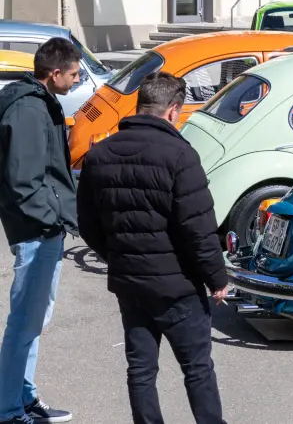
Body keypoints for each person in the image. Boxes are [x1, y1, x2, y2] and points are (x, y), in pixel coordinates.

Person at [76, 72, 229, 424]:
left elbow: (88, 224)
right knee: (197, 369)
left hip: (131, 284)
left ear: (140, 103)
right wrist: (216, 279)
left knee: (141, 370)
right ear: (173, 110)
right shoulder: (181, 155)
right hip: (179, 288)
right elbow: (199, 229)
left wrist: (118, 256)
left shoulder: (99, 154)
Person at [0, 38, 80, 424]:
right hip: (37, 231)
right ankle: (9, 409)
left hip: (42, 229)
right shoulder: (30, 110)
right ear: (54, 73)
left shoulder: (37, 101)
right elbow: (24, 180)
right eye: (75, 74)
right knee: (24, 324)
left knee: (32, 322)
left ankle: (23, 397)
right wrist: (54, 219)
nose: (78, 81)